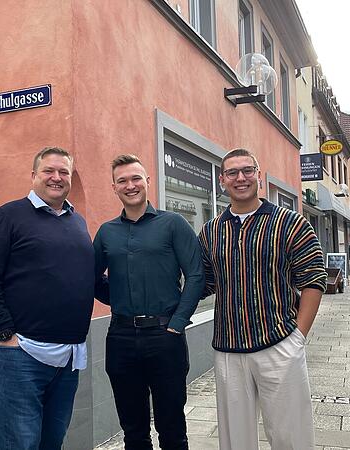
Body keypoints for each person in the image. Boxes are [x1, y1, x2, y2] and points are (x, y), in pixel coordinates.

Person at [198, 148, 327, 450]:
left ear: (258, 175)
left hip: (279, 343)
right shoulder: (210, 231)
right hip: (228, 348)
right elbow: (204, 283)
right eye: (232, 172)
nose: (240, 178)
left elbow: (314, 279)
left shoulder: (290, 222)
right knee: (235, 441)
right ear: (222, 180)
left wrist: (298, 337)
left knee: (291, 438)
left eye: (247, 170)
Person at [0, 147, 96, 450]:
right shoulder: (7, 217)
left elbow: (86, 278)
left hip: (68, 356)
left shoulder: (77, 222)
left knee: (52, 442)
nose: (57, 177)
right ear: (33, 176)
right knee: (21, 444)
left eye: (63, 172)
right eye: (48, 171)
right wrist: (5, 334)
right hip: (20, 354)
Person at [93, 154, 204, 450]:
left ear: (148, 181)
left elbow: (196, 275)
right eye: (122, 181)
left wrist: (178, 322)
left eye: (136, 178)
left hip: (165, 336)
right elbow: (91, 277)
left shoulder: (173, 224)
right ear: (114, 187)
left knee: (172, 429)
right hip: (120, 338)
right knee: (133, 431)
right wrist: (118, 297)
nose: (130, 185)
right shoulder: (106, 232)